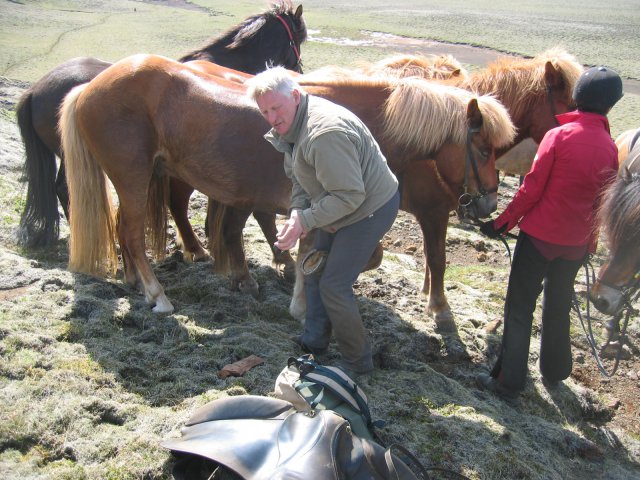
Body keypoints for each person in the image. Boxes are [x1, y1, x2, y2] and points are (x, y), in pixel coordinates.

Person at [476, 66, 623, 398]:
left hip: (538, 240)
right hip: (573, 248)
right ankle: (555, 371)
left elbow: (531, 190)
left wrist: (501, 224)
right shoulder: (610, 148)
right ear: (610, 106)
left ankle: (508, 382)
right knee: (557, 306)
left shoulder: (558, 136)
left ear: (579, 98)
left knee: (519, 308)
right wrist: (590, 243)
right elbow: (601, 205)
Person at [245, 67, 399, 376]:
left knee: (334, 285)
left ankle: (358, 363)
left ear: (296, 96)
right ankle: (314, 341)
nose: (272, 118)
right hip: (337, 202)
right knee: (314, 267)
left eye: (276, 108)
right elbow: (303, 177)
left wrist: (306, 221)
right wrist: (297, 214)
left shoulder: (323, 134)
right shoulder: (292, 128)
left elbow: (350, 196)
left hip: (368, 208)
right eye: (265, 112)